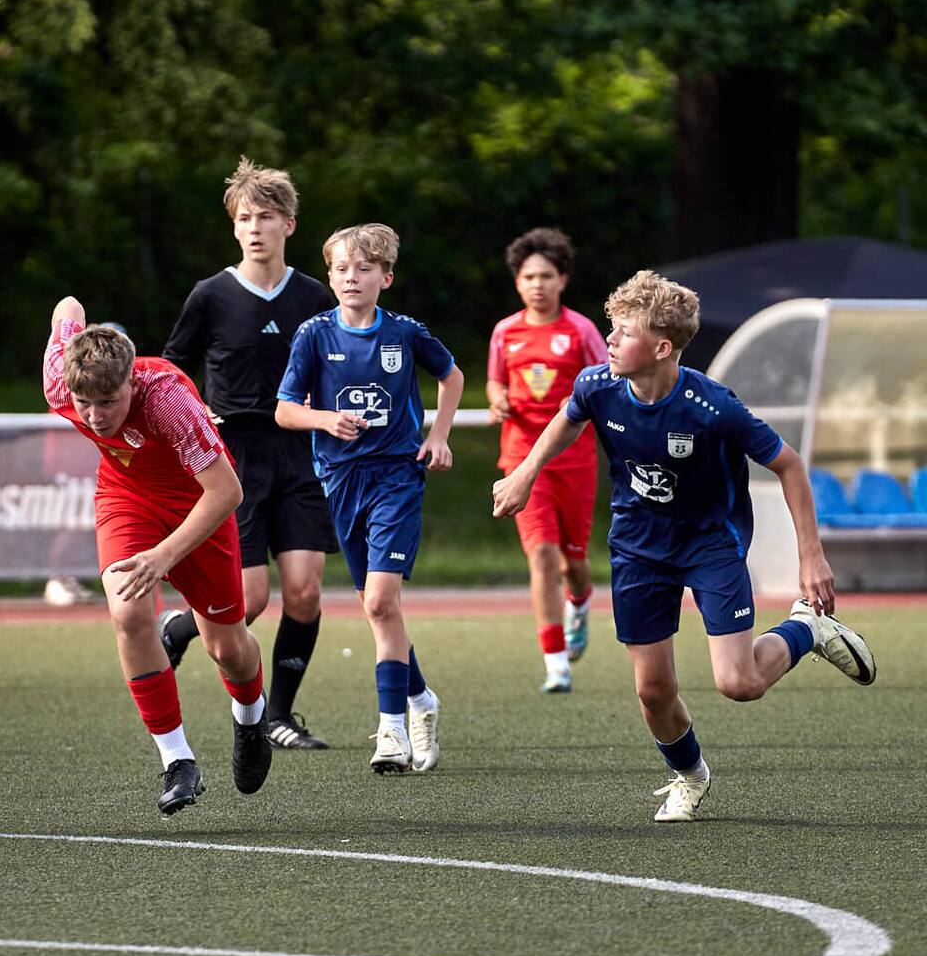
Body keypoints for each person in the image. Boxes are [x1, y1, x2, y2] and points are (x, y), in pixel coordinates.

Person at [494, 269, 875, 822]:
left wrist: (811, 555)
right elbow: (567, 420)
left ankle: (805, 629)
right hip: (637, 548)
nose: (611, 342)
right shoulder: (597, 386)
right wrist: (526, 473)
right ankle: (689, 775)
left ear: (662, 347)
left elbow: (789, 464)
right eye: (611, 329)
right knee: (652, 690)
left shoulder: (713, 407)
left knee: (739, 684)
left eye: (624, 333)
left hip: (709, 545)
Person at [44, 294, 274, 815]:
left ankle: (251, 717)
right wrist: (72, 321)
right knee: (127, 611)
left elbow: (226, 493)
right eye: (86, 404)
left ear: (131, 383)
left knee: (229, 650)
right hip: (126, 496)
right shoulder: (61, 377)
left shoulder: (168, 401)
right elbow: (68, 304)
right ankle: (178, 761)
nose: (96, 416)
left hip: (199, 502)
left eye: (109, 401)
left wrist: (162, 557)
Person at [158, 157, 339, 750]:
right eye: (244, 217)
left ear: (289, 224)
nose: (255, 226)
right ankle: (182, 627)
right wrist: (191, 411)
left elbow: (336, 366)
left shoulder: (315, 296)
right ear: (234, 229)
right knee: (252, 600)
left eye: (266, 216)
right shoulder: (211, 294)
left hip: (300, 452)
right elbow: (170, 367)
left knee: (306, 591)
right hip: (233, 458)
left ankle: (282, 716)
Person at [275, 223, 463, 776]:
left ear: (386, 276)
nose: (351, 278)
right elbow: (286, 410)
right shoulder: (313, 335)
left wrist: (439, 436)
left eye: (363, 269)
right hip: (338, 482)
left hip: (395, 479)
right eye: (340, 269)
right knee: (378, 610)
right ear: (330, 276)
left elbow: (451, 377)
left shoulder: (404, 333)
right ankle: (422, 699)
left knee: (381, 603)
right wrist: (325, 418)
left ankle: (391, 733)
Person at [487, 228, 609, 693]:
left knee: (572, 562)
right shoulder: (506, 332)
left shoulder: (580, 331)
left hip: (574, 459)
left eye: (546, 275)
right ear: (517, 282)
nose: (537, 284)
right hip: (521, 459)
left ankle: (580, 600)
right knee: (541, 555)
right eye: (528, 276)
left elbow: (606, 381)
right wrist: (498, 399)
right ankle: (555, 662)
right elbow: (496, 382)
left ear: (563, 279)